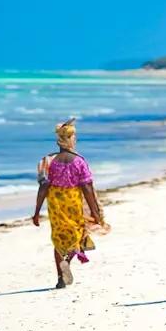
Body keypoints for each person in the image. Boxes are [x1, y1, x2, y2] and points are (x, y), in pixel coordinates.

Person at [32, 118, 106, 289]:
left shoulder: (48, 161)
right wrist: (95, 212)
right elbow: (87, 188)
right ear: (72, 139)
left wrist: (36, 212)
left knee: (59, 239)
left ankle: (60, 277)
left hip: (56, 204)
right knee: (78, 235)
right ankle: (67, 261)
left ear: (59, 140)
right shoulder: (79, 161)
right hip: (73, 203)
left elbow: (43, 188)